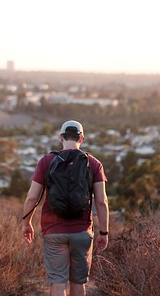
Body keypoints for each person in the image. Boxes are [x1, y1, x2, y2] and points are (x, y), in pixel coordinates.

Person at [22, 120, 109, 296]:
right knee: (78, 283)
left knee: (57, 283)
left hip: (53, 232)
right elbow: (101, 201)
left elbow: (32, 197)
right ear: (81, 138)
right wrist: (104, 233)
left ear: (61, 137)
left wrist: (26, 223)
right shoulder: (93, 163)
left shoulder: (46, 161)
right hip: (82, 232)